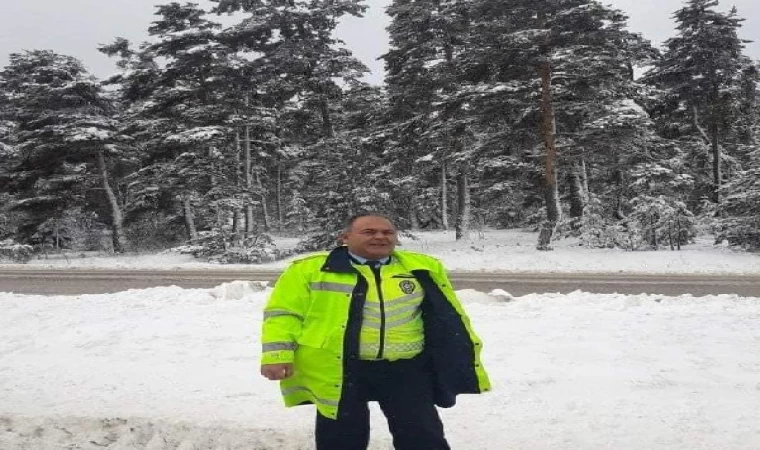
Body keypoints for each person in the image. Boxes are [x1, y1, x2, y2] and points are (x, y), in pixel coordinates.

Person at [260, 213, 490, 450]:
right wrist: (277, 355)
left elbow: (447, 315)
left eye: (387, 232)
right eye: (369, 232)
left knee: (422, 435)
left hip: (406, 369)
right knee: (341, 439)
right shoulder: (309, 270)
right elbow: (283, 314)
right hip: (340, 368)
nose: (380, 237)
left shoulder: (423, 267)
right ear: (345, 237)